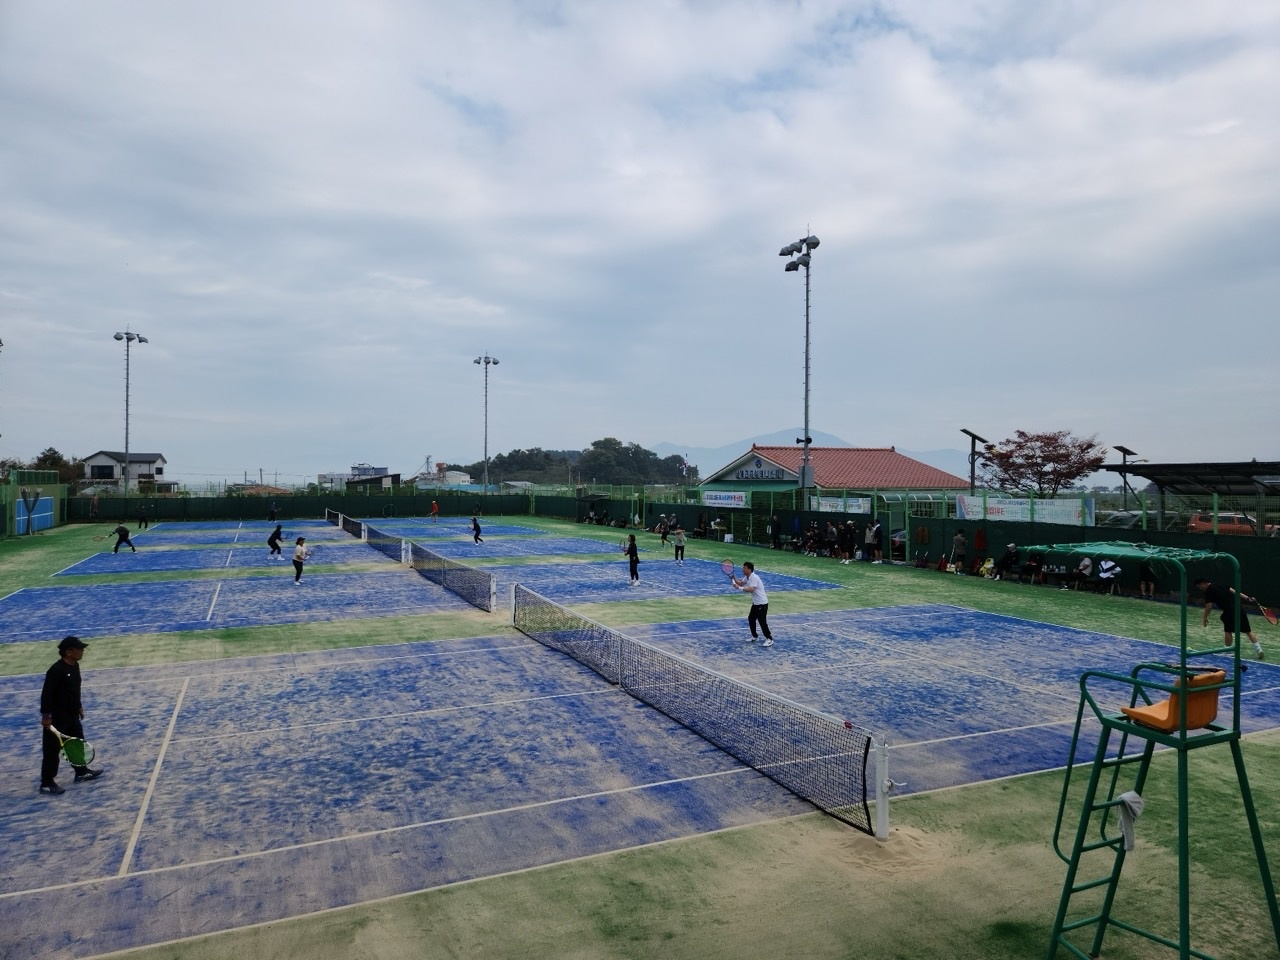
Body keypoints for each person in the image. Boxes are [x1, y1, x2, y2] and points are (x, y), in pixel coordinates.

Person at [40, 636, 103, 795]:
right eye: (79, 649)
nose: (82, 651)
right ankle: (46, 783)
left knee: (76, 744)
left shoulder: (75, 667)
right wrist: (46, 716)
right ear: (69, 652)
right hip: (56, 718)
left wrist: (79, 706)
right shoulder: (56, 670)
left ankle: (81, 772)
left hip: (72, 715)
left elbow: (74, 690)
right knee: (52, 751)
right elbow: (47, 694)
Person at [1195, 578, 1265, 660]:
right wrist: (1247, 598)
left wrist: (1204, 618)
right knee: (1248, 631)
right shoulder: (1220, 585)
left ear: (1203, 583)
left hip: (1229, 611)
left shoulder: (1208, 591)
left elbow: (1209, 606)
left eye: (1199, 587)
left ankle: (1227, 652)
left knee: (1228, 631)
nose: (1200, 589)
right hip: (1239, 609)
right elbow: (1235, 592)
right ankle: (1259, 649)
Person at [730, 561, 773, 646]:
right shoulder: (747, 577)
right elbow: (740, 583)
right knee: (751, 619)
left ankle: (769, 639)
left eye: (744, 568)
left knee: (762, 621)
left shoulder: (754, 577)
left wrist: (739, 588)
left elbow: (751, 589)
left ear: (749, 569)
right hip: (756, 603)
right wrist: (734, 578)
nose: (743, 569)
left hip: (762, 603)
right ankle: (755, 636)